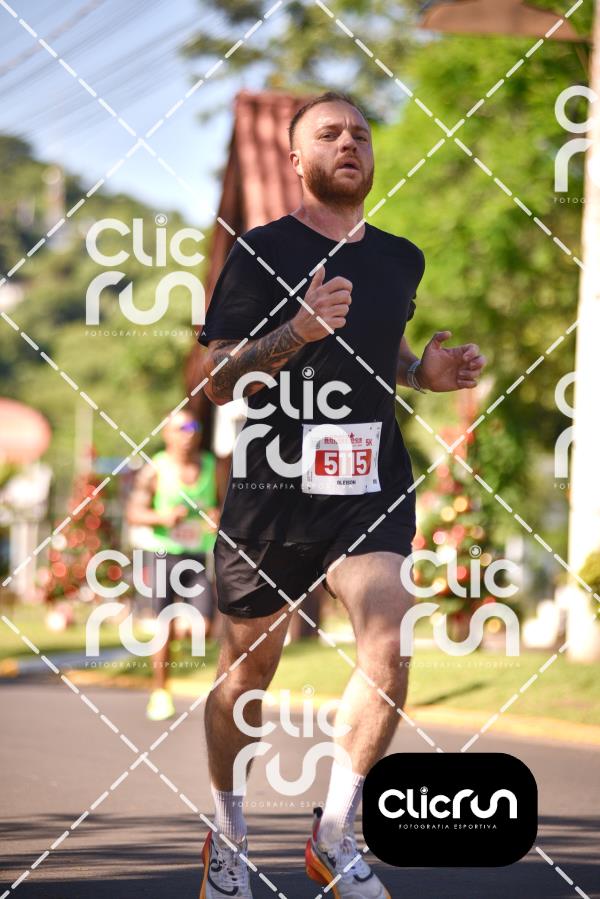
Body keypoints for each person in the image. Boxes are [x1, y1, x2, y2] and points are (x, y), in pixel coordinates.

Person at [196, 91, 486, 897]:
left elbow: (379, 349)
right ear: (297, 160)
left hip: (367, 484)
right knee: (247, 674)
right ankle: (230, 832)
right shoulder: (259, 251)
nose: (349, 142)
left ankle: (333, 833)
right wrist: (296, 331)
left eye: (360, 132)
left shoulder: (399, 258)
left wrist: (422, 373)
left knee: (388, 645)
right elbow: (219, 379)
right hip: (272, 491)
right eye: (328, 133)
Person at [126, 411, 219, 721]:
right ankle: (160, 691)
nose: (188, 433)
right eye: (180, 428)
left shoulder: (211, 466)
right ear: (166, 434)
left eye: (193, 426)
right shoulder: (155, 469)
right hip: (162, 555)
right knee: (163, 626)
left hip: (195, 557)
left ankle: (168, 638)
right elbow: (134, 513)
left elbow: (224, 506)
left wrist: (217, 518)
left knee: (203, 628)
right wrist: (162, 518)